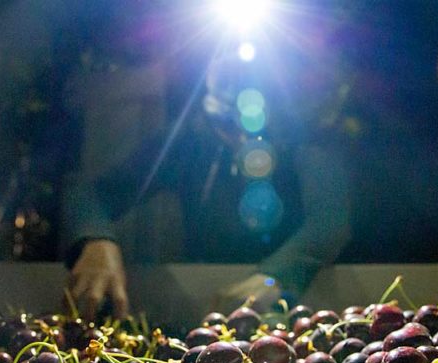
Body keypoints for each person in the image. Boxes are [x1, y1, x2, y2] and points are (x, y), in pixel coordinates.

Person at [60, 3, 353, 321]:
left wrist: (274, 278)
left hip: (298, 317)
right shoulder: (191, 142)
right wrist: (96, 240)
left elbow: (330, 221)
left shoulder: (303, 136)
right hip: (205, 315)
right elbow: (89, 191)